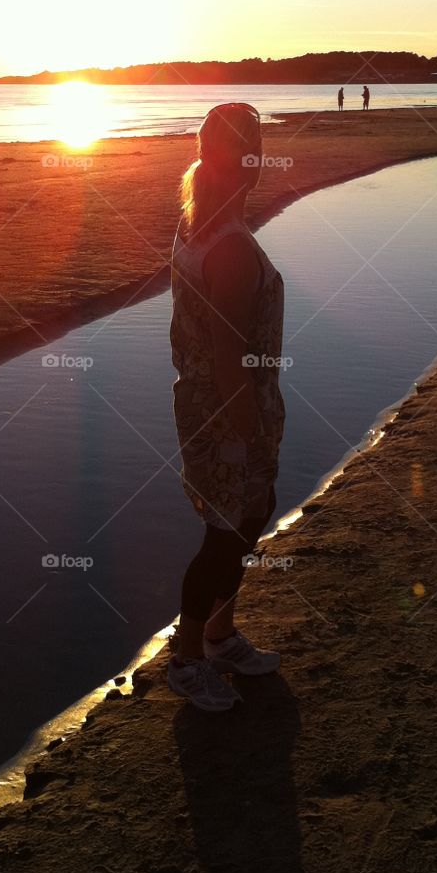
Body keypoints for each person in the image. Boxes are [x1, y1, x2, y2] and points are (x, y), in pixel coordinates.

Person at [168, 102, 287, 712]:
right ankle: (187, 660)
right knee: (227, 533)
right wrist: (249, 432)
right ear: (250, 160)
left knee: (241, 523)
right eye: (255, 146)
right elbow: (227, 355)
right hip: (231, 410)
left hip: (203, 404)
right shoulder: (232, 247)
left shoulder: (198, 225)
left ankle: (219, 635)